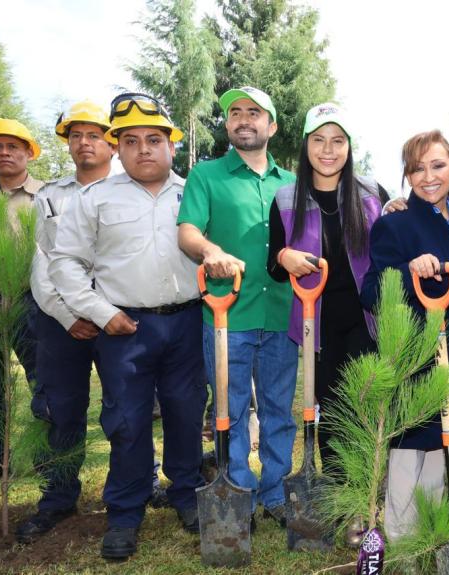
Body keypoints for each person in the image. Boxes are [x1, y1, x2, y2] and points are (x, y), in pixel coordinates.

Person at [49, 93, 205, 559]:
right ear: (117, 148)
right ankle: (124, 511)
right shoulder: (94, 199)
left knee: (185, 411)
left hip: (187, 322)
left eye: (154, 139)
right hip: (124, 327)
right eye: (131, 140)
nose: (143, 149)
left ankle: (186, 494)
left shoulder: (193, 192)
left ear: (171, 146)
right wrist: (101, 313)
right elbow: (66, 263)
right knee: (127, 420)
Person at [360, 130, 449, 540]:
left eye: (437, 165)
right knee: (411, 440)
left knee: (443, 439)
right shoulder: (396, 223)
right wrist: (408, 269)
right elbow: (371, 290)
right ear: (406, 175)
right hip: (417, 345)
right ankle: (399, 535)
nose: (428, 177)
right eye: (417, 169)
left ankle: (428, 531)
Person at [177, 86, 297, 526]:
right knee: (229, 411)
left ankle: (278, 492)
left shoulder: (291, 184)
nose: (243, 119)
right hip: (227, 315)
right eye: (235, 113)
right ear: (227, 124)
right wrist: (209, 251)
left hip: (282, 313)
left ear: (272, 126)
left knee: (278, 411)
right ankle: (239, 491)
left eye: (254, 113)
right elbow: (187, 231)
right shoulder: (206, 176)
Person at [267, 102, 389, 470]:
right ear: (306, 145)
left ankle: (367, 494)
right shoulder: (286, 198)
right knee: (332, 410)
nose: (328, 150)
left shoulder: (372, 193)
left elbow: (392, 249)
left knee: (366, 408)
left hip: (366, 321)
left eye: (337, 140)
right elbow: (274, 266)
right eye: (318, 139)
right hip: (316, 324)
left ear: (349, 147)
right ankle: (340, 496)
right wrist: (284, 256)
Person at [16, 102, 114, 543]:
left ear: (111, 142)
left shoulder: (129, 190)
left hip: (119, 318)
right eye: (76, 136)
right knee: (62, 411)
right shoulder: (50, 196)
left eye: (94, 135)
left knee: (126, 407)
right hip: (61, 321)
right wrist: (67, 314)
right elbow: (42, 263)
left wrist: (104, 314)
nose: (84, 143)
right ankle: (58, 497)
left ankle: (135, 487)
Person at [0, 118, 43, 480]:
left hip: (32, 300)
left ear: (28, 152)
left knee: (42, 381)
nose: (4, 153)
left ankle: (44, 456)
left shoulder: (47, 195)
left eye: (12, 146)